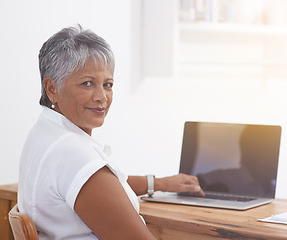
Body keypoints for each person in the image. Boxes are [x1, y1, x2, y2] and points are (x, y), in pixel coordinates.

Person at [18, 25, 204, 240]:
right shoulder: (72, 154)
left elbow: (99, 189)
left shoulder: (46, 133)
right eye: (87, 84)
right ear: (52, 88)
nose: (102, 97)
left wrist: (158, 183)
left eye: (108, 84)